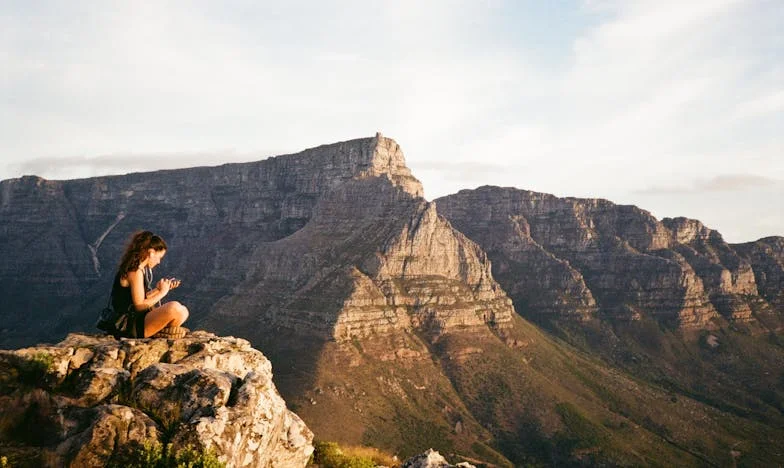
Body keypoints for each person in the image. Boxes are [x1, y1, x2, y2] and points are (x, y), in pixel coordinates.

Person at [111, 230, 189, 338]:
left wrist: (158, 289)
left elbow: (138, 299)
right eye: (159, 257)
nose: (159, 262)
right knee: (174, 307)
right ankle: (161, 332)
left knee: (183, 311)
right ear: (151, 252)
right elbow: (139, 306)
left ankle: (159, 331)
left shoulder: (139, 270)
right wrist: (162, 293)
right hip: (129, 326)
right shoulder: (134, 272)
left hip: (137, 320)